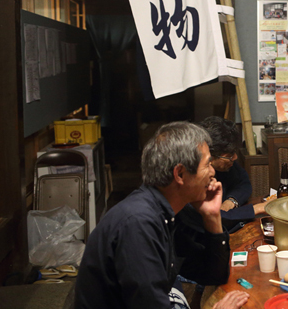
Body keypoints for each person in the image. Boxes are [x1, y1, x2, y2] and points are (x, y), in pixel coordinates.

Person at [75, 122, 249, 309]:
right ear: (180, 174)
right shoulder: (138, 223)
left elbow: (213, 275)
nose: (213, 172)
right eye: (207, 164)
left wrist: (212, 216)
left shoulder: (165, 213)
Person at [199, 116, 267, 233]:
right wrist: (257, 208)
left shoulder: (227, 165)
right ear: (209, 156)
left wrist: (231, 202)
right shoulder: (194, 177)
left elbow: (243, 182)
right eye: (229, 156)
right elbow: (214, 217)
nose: (235, 158)